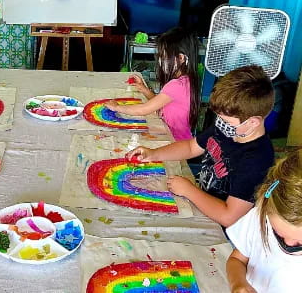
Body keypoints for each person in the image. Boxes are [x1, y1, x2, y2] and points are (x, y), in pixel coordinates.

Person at [127, 65, 275, 227]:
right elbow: (191, 147)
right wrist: (154, 154)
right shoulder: (230, 129)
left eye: (226, 121)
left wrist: (189, 191)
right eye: (219, 117)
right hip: (200, 200)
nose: (220, 123)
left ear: (253, 122)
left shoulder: (257, 160)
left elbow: (229, 217)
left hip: (222, 229)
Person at [226, 149, 302, 292]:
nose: (288, 245)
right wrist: (238, 283)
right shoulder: (261, 216)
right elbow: (237, 260)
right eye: (277, 233)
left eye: (299, 243)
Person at [105, 27, 200, 141]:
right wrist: (144, 89)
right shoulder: (186, 80)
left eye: (164, 57)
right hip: (180, 138)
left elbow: (143, 109)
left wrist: (117, 107)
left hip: (175, 141)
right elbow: (161, 102)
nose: (160, 61)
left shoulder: (176, 85)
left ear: (181, 58)